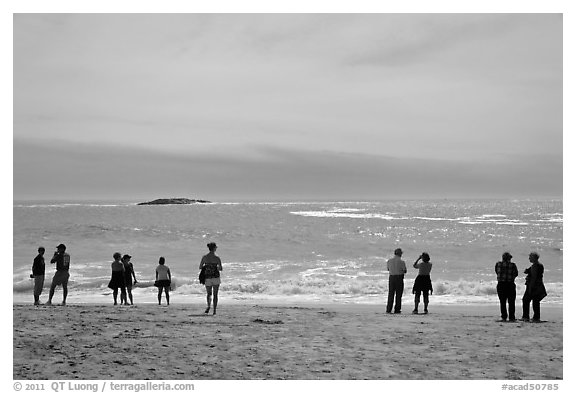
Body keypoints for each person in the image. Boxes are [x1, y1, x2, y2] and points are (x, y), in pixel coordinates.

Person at [521, 252, 547, 322]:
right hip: (539, 286)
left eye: (530, 257)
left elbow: (534, 277)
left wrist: (530, 287)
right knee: (536, 302)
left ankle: (526, 316)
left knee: (526, 300)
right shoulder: (539, 265)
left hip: (533, 286)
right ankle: (536, 317)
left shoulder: (535, 266)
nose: (529, 258)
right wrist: (528, 271)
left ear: (534, 258)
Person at [199, 242, 223, 315]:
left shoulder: (204, 257)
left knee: (209, 293)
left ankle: (209, 306)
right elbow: (221, 268)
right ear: (214, 248)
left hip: (207, 277)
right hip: (215, 277)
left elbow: (200, 267)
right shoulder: (217, 257)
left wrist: (207, 267)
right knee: (215, 294)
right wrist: (216, 267)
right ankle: (214, 311)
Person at [495, 252, 519, 322]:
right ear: (509, 258)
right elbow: (516, 274)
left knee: (502, 301)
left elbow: (496, 271)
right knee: (511, 302)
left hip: (501, 284)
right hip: (510, 284)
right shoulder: (513, 265)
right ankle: (512, 316)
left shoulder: (498, 264)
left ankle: (504, 316)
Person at [386, 248, 407, 314]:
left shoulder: (389, 261)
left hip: (391, 277)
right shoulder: (402, 262)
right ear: (400, 254)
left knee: (391, 294)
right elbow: (405, 270)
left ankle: (389, 309)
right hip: (399, 278)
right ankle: (397, 309)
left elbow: (388, 269)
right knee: (398, 295)